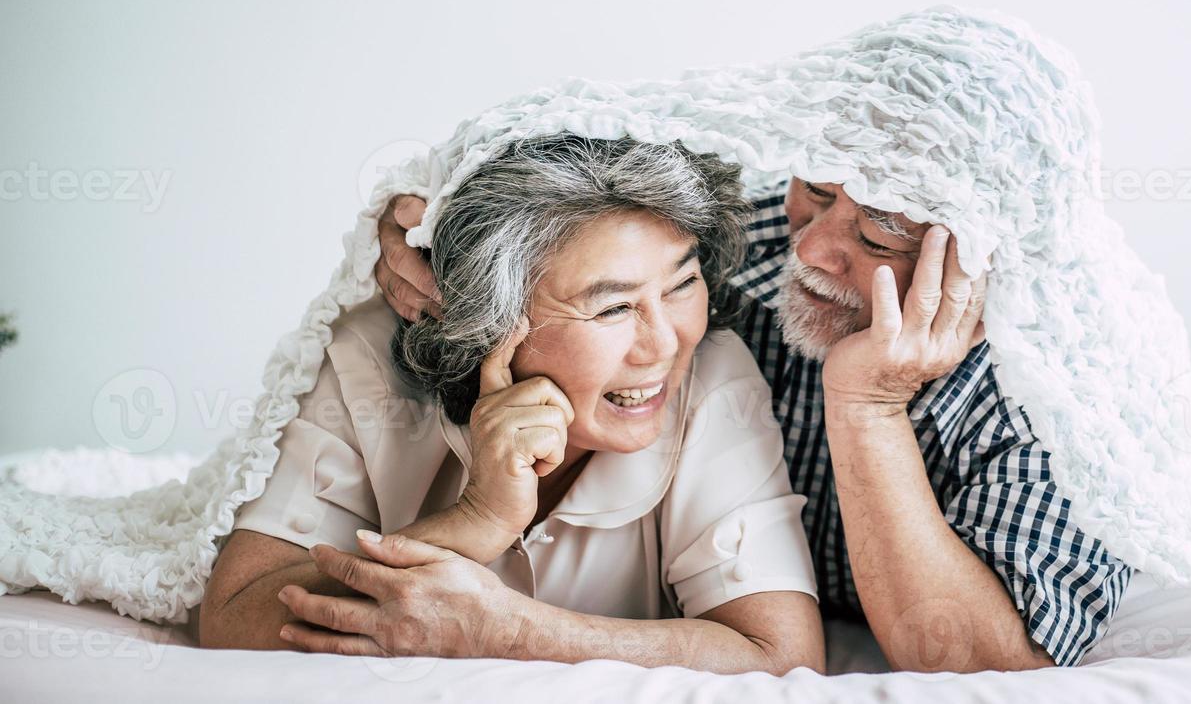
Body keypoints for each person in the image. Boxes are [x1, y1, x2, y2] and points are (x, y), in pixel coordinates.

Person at [378, 173, 1134, 672]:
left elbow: (981, 667)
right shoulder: (758, 237)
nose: (807, 247)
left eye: (877, 235)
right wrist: (421, 220)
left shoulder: (1078, 383)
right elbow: (578, 189)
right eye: (816, 191)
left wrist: (867, 405)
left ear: (988, 251)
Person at [198, 135, 823, 674]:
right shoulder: (365, 362)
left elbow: (780, 656)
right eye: (612, 307)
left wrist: (513, 633)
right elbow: (234, 619)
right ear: (487, 319)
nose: (665, 342)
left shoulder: (714, 375)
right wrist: (473, 522)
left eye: (684, 284)